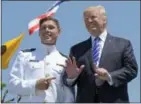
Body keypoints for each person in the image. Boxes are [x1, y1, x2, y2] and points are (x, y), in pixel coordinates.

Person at [63, 5, 138, 103]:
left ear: (104, 20)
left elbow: (131, 70)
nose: (89, 21)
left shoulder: (123, 44)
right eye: (86, 19)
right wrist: (72, 77)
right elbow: (67, 79)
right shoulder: (76, 49)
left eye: (93, 17)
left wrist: (109, 76)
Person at [8, 17, 74, 103]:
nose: (47, 30)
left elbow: (68, 94)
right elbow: (11, 85)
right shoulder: (25, 55)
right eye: (43, 28)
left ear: (59, 32)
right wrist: (35, 85)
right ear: (39, 33)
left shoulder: (65, 61)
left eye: (51, 27)